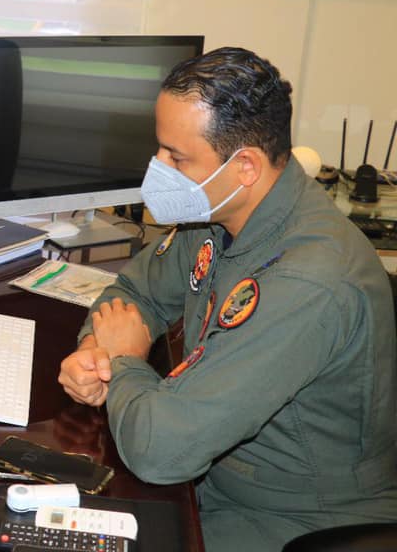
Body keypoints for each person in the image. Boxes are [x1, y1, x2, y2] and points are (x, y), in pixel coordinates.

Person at [58, 47, 397, 551]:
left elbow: (160, 452)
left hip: (296, 519)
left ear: (245, 167)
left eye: (177, 157)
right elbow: (134, 292)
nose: (159, 168)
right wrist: (96, 354)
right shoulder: (219, 213)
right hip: (213, 477)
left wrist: (125, 362)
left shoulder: (309, 281)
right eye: (160, 150)